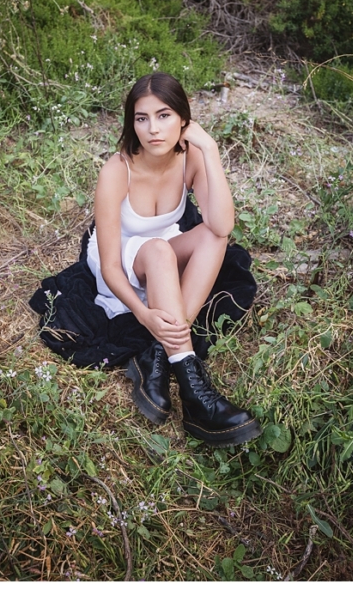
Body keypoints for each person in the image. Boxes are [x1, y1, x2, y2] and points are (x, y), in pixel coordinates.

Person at [85, 73, 261, 447]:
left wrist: (210, 152)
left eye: (164, 116)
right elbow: (111, 265)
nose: (152, 129)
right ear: (131, 122)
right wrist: (145, 314)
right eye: (141, 117)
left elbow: (222, 223)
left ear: (184, 119)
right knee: (161, 249)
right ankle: (194, 391)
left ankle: (156, 354)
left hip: (162, 251)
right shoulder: (117, 171)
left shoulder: (191, 157)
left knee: (214, 235)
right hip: (122, 259)